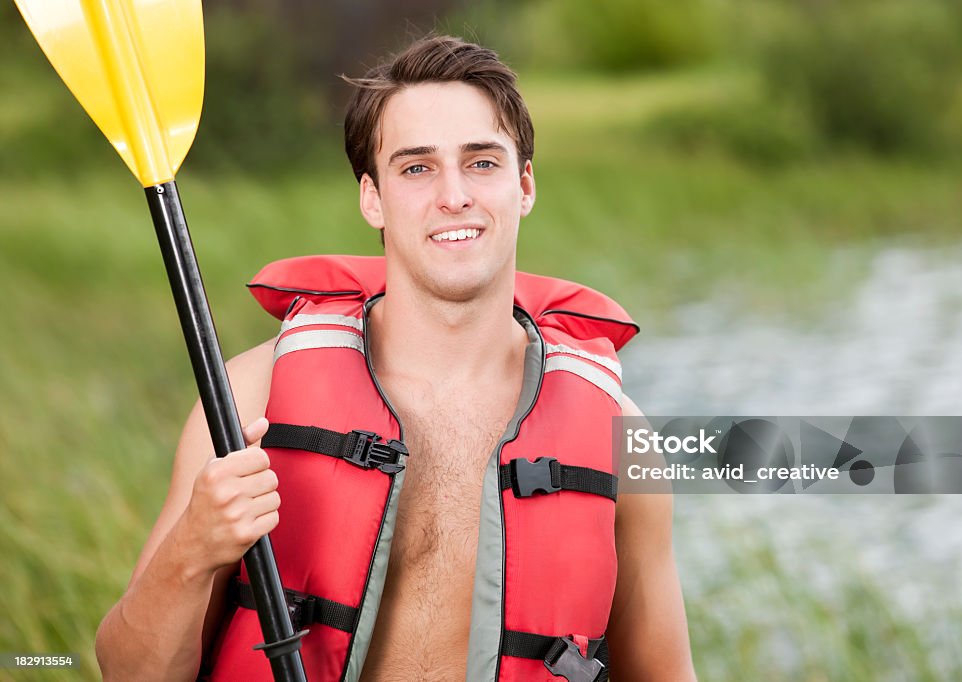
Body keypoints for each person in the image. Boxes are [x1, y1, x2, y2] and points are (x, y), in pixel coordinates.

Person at [95, 35, 697, 681]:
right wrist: (192, 549)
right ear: (372, 197)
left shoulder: (619, 434)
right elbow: (129, 672)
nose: (454, 195)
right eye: (416, 168)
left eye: (482, 163)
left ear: (524, 185)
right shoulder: (248, 400)